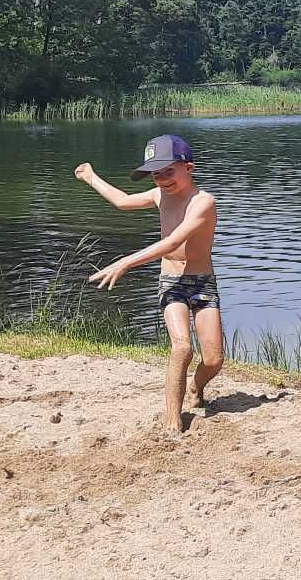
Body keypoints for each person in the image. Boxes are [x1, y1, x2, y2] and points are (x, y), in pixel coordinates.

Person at [77, 134, 222, 434]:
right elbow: (122, 201)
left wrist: (126, 262)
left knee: (214, 359)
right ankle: (173, 420)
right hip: (171, 282)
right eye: (157, 174)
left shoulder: (203, 202)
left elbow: (174, 240)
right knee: (182, 348)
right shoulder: (158, 196)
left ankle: (196, 386)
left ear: (189, 167)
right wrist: (91, 177)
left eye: (169, 171)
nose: (163, 180)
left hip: (203, 284)